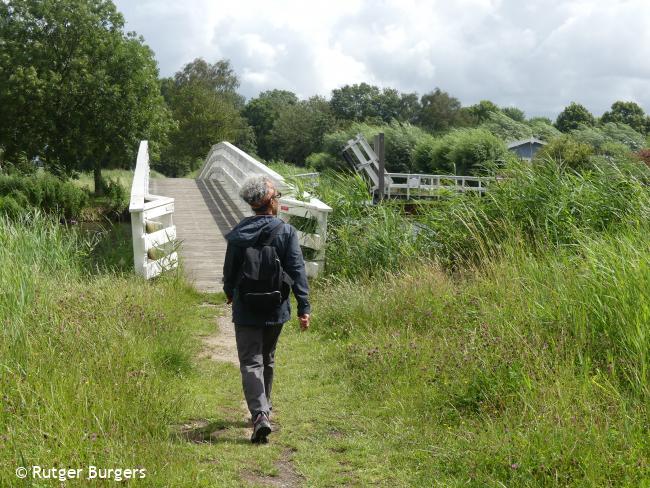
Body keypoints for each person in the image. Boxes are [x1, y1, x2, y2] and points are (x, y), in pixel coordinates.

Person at [222, 174, 311, 444]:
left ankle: (260, 413)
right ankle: (264, 412)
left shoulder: (239, 233)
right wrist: (303, 306)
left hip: (246, 306)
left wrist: (229, 293)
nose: (278, 200)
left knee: (251, 361)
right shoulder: (285, 232)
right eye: (277, 196)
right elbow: (297, 271)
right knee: (267, 358)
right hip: (276, 305)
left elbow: (230, 271)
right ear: (269, 202)